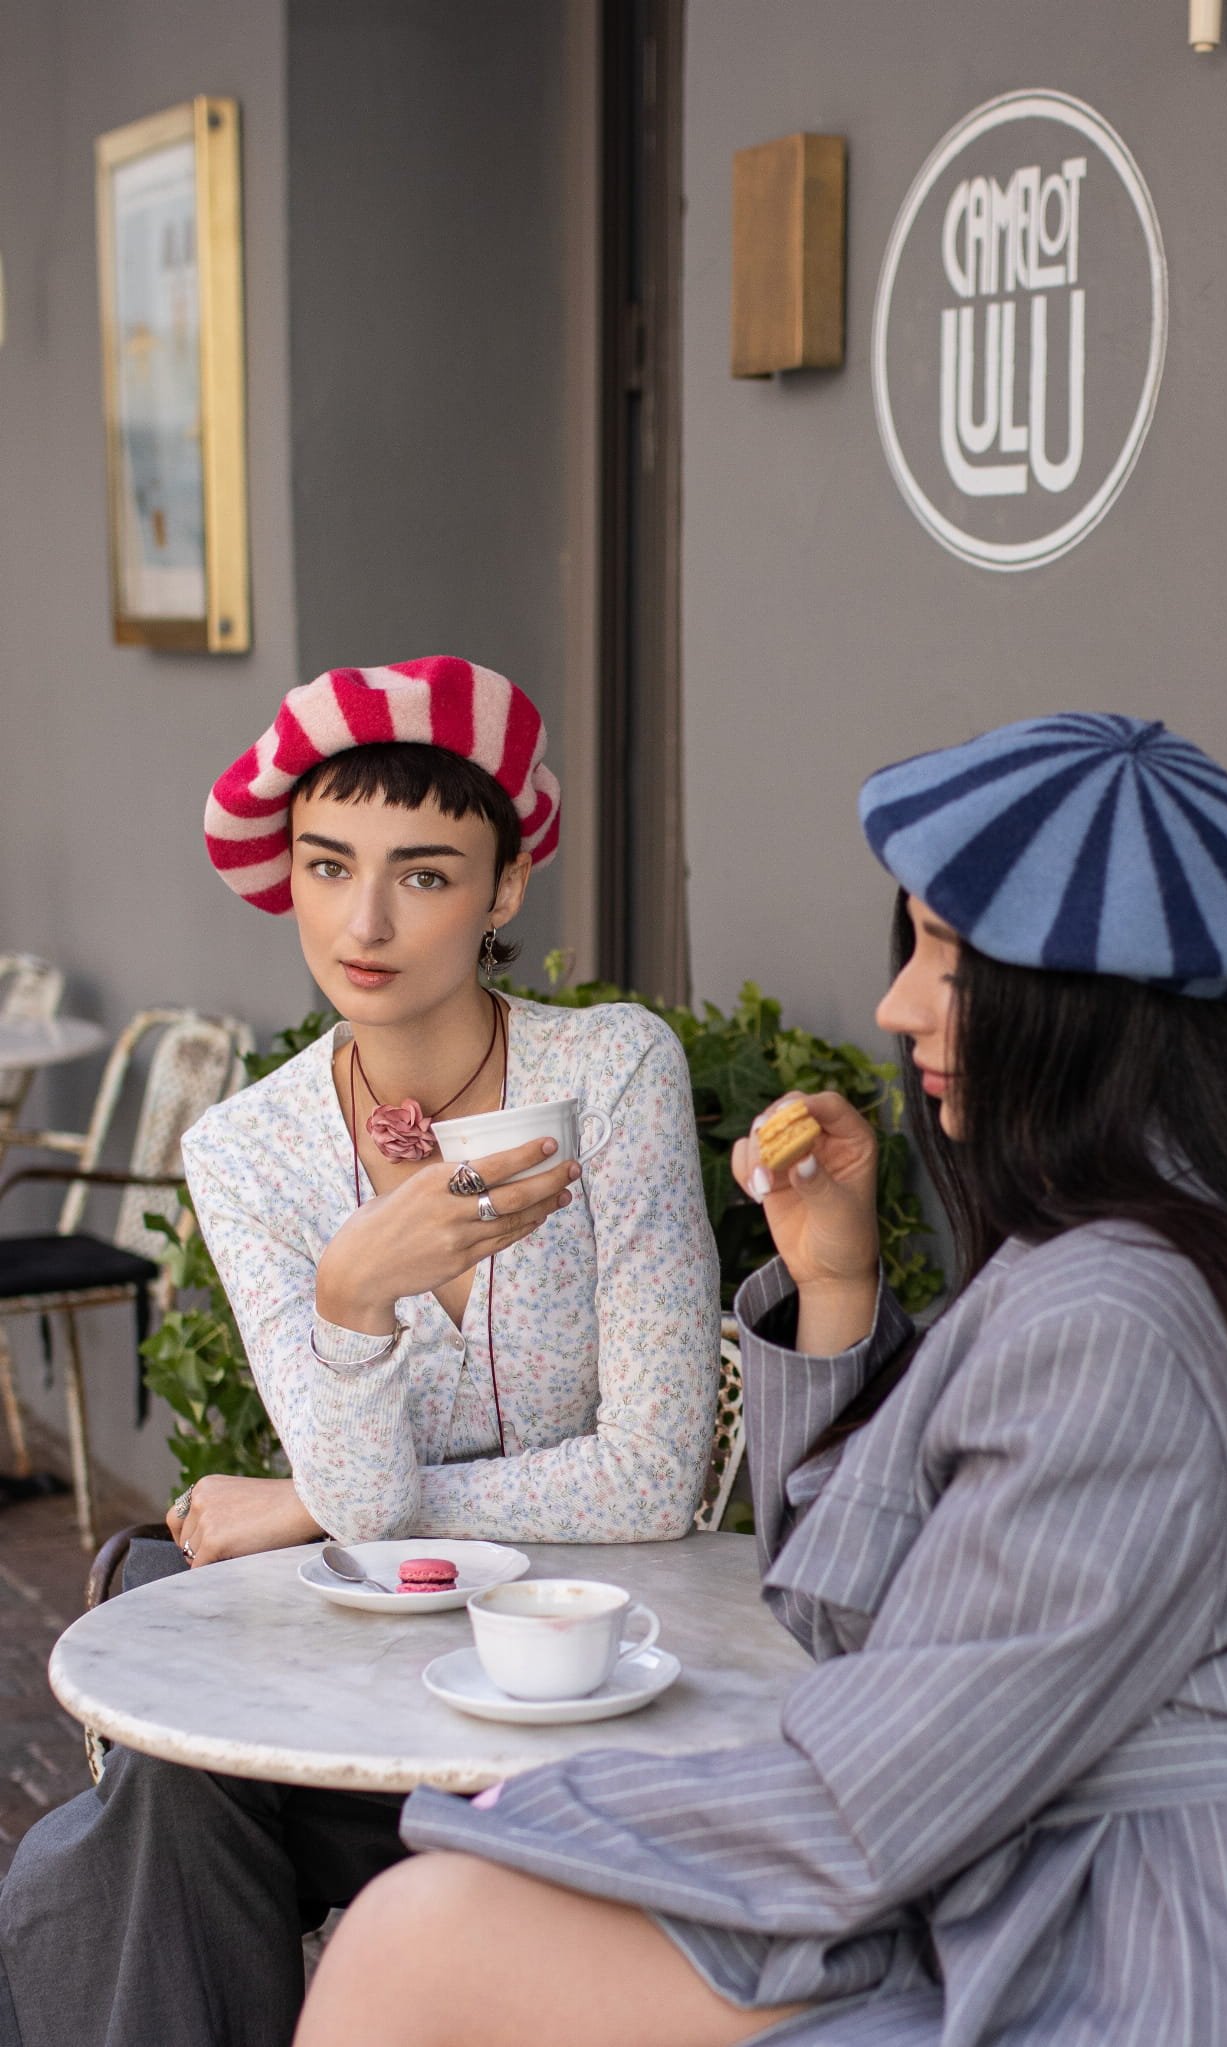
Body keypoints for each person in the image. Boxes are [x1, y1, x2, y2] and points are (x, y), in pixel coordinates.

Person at [291, 712, 1227, 2047]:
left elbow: (889, 1789)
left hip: (1179, 1973)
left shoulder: (1123, 1310)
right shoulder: (1121, 1258)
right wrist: (835, 1287)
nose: (898, 1005)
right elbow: (860, 1614)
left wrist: (522, 1812)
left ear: (1081, 1002)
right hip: (1064, 1906)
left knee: (420, 1939)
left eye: (948, 958)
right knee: (430, 1939)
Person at [0, 655, 721, 2047]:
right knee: (173, 1789)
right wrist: (349, 1300)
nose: (364, 921)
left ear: (506, 888)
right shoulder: (248, 1149)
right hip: (345, 1680)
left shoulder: (613, 1072)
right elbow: (374, 1502)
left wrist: (305, 1508)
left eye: (425, 874)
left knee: (143, 1820)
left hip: (575, 1676)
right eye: (328, 867)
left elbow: (648, 1484)